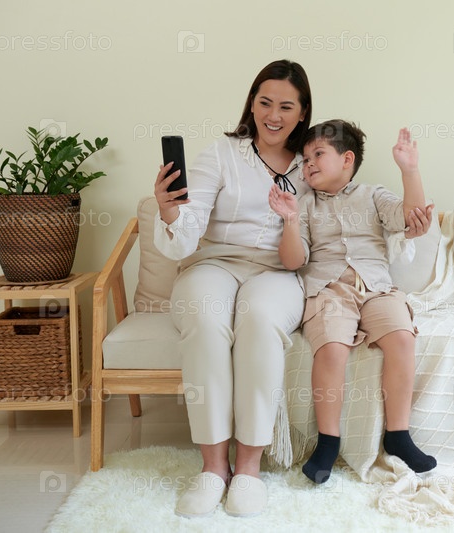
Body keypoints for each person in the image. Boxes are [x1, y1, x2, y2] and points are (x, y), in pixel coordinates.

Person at [153, 59, 314, 518]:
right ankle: (212, 468)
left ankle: (247, 469)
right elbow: (187, 232)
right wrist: (169, 211)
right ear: (252, 103)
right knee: (206, 319)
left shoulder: (311, 166)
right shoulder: (222, 153)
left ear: (302, 113)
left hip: (277, 271)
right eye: (265, 102)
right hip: (214, 262)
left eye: (286, 106)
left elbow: (303, 251)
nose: (273, 115)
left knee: (259, 319)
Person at [268, 119, 437, 484]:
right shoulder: (304, 204)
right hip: (329, 290)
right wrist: (291, 221)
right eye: (305, 159)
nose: (308, 164)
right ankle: (328, 441)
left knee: (402, 337)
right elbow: (294, 261)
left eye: (318, 154)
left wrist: (409, 170)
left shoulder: (373, 195)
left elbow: (410, 217)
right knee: (331, 348)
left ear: (346, 160)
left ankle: (398, 435)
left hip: (377, 287)